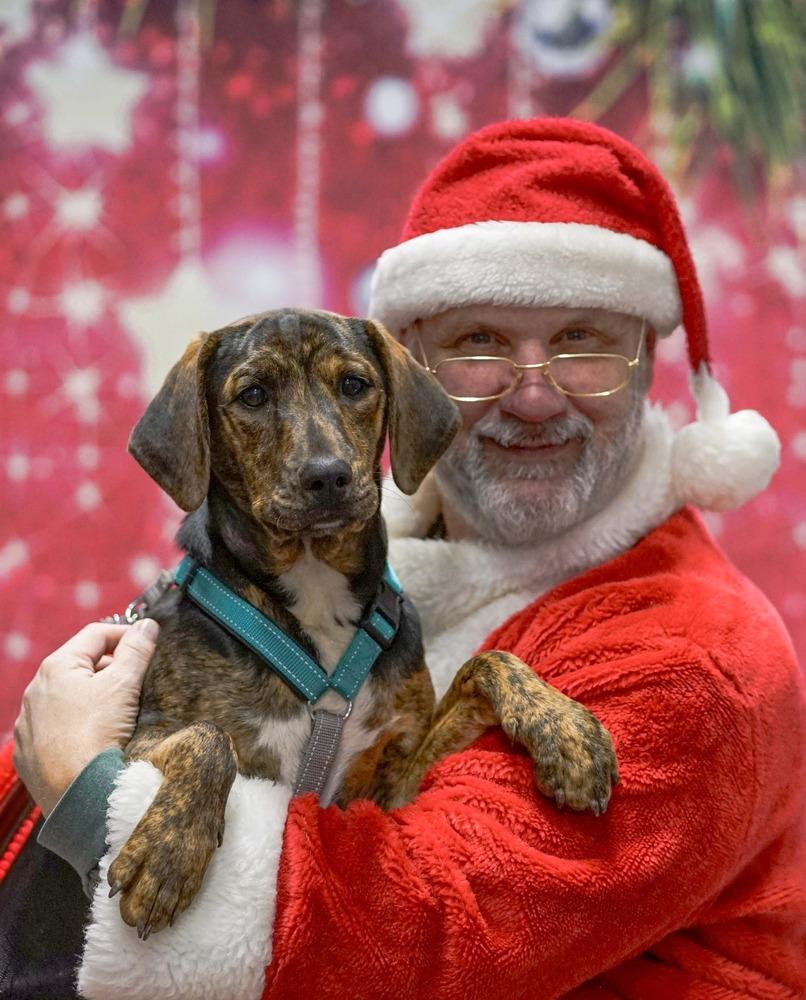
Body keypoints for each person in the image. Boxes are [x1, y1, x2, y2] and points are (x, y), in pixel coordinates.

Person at [11, 118, 805, 999]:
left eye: (583, 342)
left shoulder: (696, 664)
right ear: (422, 368)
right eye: (479, 343)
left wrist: (93, 798)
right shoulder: (403, 580)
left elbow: (425, 929)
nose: (532, 394)